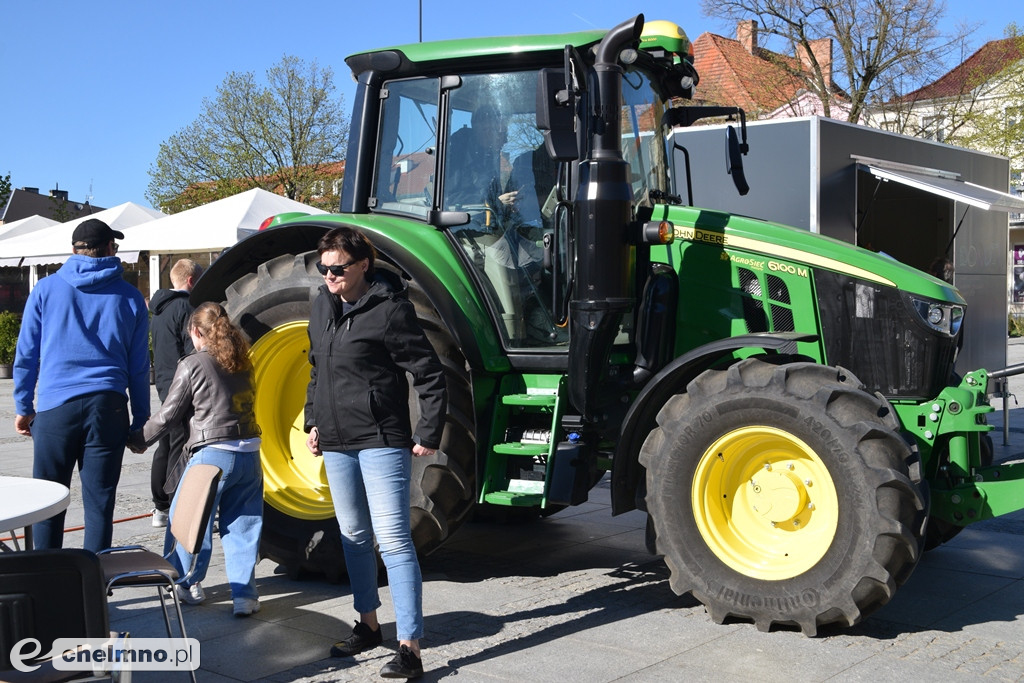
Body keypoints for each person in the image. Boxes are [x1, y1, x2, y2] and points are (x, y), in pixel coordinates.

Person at [304, 227, 446, 679]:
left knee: (394, 542)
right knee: (353, 537)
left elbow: (428, 373)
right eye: (323, 268)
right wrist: (313, 420)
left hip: (382, 439)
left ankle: (410, 648)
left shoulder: (390, 311)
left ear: (363, 264)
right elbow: (316, 370)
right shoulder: (320, 306)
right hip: (337, 441)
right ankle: (367, 624)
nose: (329, 276)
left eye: (338, 268)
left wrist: (428, 430)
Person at [13, 218, 150, 552]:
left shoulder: (45, 290)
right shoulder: (130, 297)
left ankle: (47, 586)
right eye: (114, 245)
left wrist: (23, 407)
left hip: (56, 409)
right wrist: (141, 420)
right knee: (100, 505)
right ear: (107, 249)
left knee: (47, 503)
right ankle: (95, 591)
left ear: (73, 251)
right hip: (108, 406)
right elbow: (138, 367)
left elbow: (27, 354)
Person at [128, 302, 264, 617]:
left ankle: (187, 583)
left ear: (194, 331)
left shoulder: (194, 363)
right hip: (249, 454)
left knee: (187, 520)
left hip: (212, 454)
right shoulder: (242, 360)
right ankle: (245, 596)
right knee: (243, 526)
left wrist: (138, 439)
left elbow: (168, 414)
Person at [148, 258, 204, 528]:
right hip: (182, 384)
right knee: (181, 444)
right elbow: (192, 351)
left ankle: (160, 505)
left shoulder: (159, 310)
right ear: (191, 281)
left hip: (163, 381)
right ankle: (175, 504)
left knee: (166, 443)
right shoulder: (186, 308)